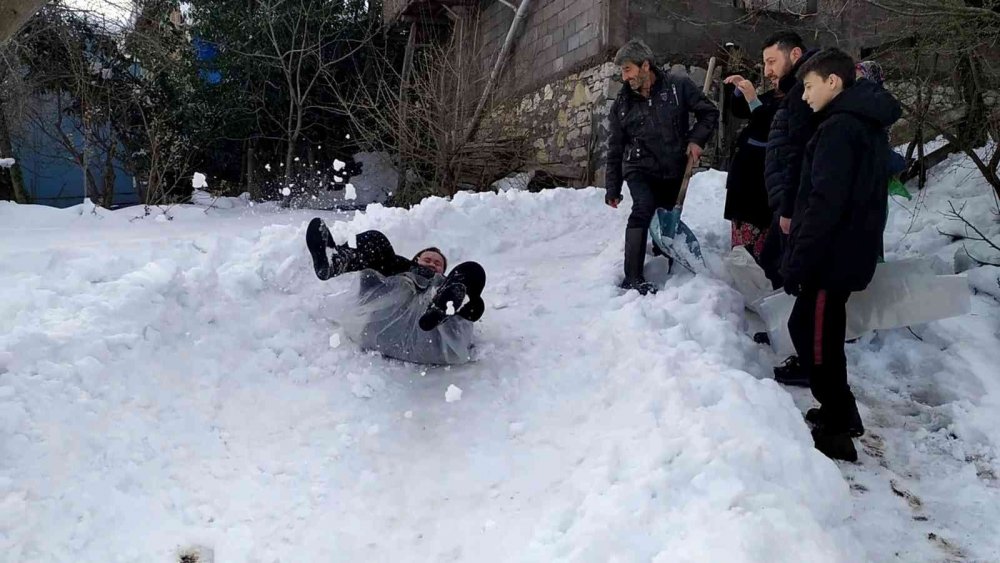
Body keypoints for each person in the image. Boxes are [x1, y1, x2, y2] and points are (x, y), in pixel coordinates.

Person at [782, 48, 902, 461]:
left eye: (809, 86)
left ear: (834, 82)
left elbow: (824, 202)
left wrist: (800, 261)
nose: (804, 96)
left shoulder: (839, 128)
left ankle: (836, 429)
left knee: (814, 338)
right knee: (821, 332)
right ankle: (842, 410)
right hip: (847, 252)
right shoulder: (863, 124)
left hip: (829, 259)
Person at [604, 38, 719, 295]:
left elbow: (709, 113)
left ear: (645, 66)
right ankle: (632, 276)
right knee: (643, 207)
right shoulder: (622, 105)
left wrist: (696, 140)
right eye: (622, 71)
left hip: (672, 167)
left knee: (667, 214)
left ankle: (664, 259)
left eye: (628, 70)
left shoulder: (678, 87)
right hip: (638, 167)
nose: (625, 77)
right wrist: (613, 187)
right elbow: (615, 148)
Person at [305, 218, 486, 365]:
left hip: (428, 338)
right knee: (377, 241)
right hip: (393, 330)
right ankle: (334, 262)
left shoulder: (443, 282)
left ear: (444, 272)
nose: (432, 263)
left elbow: (473, 311)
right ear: (415, 259)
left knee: (471, 270)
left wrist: (473, 305)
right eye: (427, 259)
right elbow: (384, 266)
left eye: (438, 263)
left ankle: (440, 308)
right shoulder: (397, 270)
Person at [756, 31, 818, 385]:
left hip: (795, 204)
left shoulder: (806, 93)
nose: (766, 70)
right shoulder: (795, 91)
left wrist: (790, 207)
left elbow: (800, 155)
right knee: (776, 266)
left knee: (794, 276)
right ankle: (790, 335)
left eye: (771, 61)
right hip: (785, 199)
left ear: (795, 54)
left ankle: (807, 358)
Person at [722, 73, 780, 262]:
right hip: (744, 177)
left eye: (772, 62)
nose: (769, 72)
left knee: (759, 244)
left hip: (761, 181)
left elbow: (768, 125)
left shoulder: (795, 102)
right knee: (742, 242)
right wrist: (740, 92)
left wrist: (754, 101)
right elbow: (741, 111)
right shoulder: (773, 96)